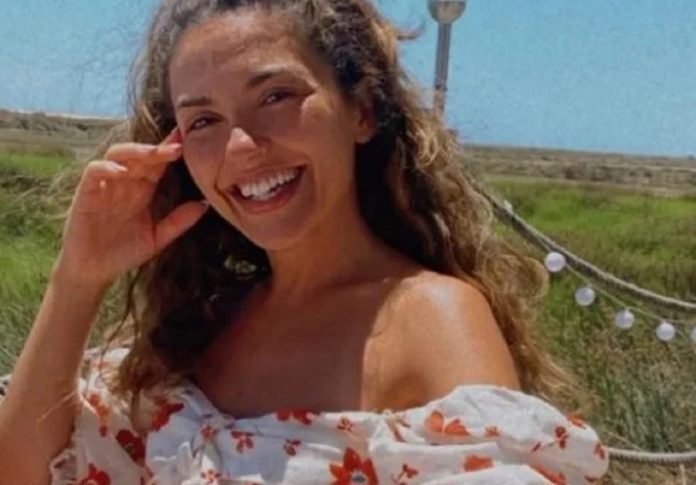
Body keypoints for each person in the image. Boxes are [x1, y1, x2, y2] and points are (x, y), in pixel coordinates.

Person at [0, 0, 609, 483]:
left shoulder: (427, 319)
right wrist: (78, 277)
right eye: (204, 121)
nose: (242, 146)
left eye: (276, 97)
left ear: (362, 110)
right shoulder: (204, 324)